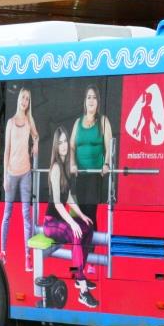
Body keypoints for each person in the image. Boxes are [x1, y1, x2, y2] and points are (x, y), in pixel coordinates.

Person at [41, 126, 98, 308]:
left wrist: (81, 215)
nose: (64, 145)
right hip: (51, 223)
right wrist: (73, 222)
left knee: (88, 228)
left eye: (65, 141)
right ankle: (82, 289)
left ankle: (78, 274)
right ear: (56, 146)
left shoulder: (66, 167)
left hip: (61, 220)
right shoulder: (56, 168)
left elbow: (69, 198)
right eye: (60, 143)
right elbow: (58, 203)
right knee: (76, 233)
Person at [0, 87, 39, 272]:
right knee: (7, 214)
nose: (25, 101)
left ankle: (27, 257)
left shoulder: (30, 120)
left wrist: (35, 145)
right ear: (18, 100)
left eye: (27, 99)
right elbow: (6, 151)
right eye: (23, 98)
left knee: (26, 216)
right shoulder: (10, 122)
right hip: (11, 173)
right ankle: (3, 251)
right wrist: (5, 177)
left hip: (25, 174)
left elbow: (36, 136)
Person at [69, 84, 113, 230]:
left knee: (89, 213)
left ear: (98, 101)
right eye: (89, 97)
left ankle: (90, 243)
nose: (91, 100)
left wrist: (106, 164)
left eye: (94, 97)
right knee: (79, 214)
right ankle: (83, 242)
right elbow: (71, 147)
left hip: (95, 175)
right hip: (79, 175)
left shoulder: (103, 121)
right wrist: (72, 164)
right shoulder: (78, 122)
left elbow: (109, 146)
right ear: (85, 101)